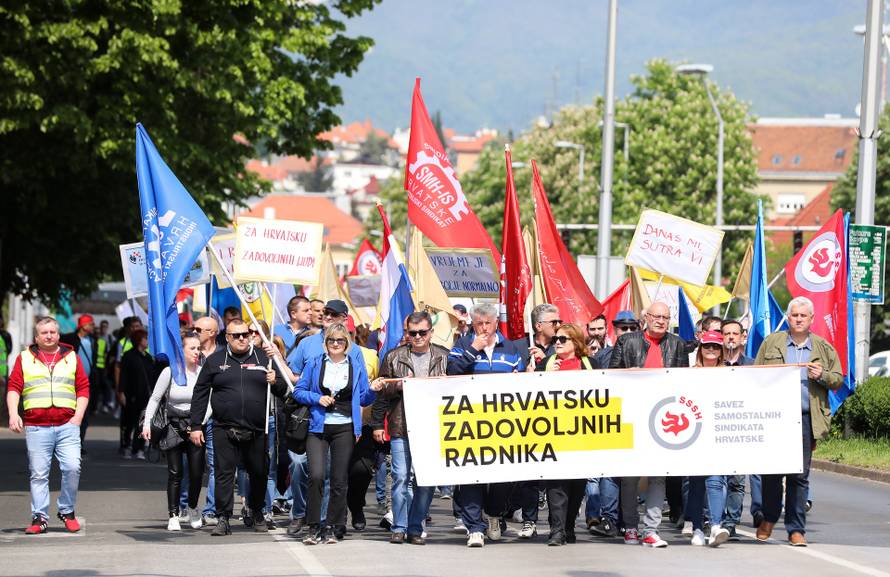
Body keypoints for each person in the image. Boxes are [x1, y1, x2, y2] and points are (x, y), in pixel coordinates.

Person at [754, 296, 842, 547]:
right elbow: (755, 374)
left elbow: (838, 378)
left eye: (804, 315)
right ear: (788, 317)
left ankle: (795, 529)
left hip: (804, 418)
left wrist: (822, 375)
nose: (799, 319)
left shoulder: (823, 347)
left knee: (799, 476)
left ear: (811, 319)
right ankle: (769, 518)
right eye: (795, 315)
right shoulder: (772, 343)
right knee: (771, 472)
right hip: (774, 416)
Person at [189, 318, 286, 536]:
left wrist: (275, 381)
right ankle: (223, 518)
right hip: (224, 428)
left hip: (257, 429)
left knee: (259, 472)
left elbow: (283, 390)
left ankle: (258, 512)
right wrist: (196, 425)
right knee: (224, 474)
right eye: (237, 335)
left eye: (246, 334)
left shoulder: (264, 358)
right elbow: (200, 393)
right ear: (227, 337)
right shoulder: (215, 361)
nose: (242, 338)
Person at [609, 301, 688, 548]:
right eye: (657, 316)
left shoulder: (677, 344)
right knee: (630, 478)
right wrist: (628, 374)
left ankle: (651, 530)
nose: (661, 321)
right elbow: (610, 377)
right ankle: (631, 527)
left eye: (666, 317)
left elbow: (685, 382)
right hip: (632, 417)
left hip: (662, 420)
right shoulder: (627, 341)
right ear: (646, 317)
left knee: (657, 477)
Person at [447, 303, 526, 547]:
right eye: (478, 323)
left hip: (503, 424)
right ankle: (475, 528)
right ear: (473, 323)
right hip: (471, 423)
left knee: (502, 476)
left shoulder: (511, 348)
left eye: (487, 323)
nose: (483, 328)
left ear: (495, 323)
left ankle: (493, 514)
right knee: (472, 475)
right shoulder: (462, 346)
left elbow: (522, 381)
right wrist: (473, 349)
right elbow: (451, 372)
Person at [295, 323, 380, 545]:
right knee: (316, 475)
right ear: (326, 343)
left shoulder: (355, 366)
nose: (335, 344)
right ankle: (314, 526)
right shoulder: (315, 363)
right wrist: (317, 398)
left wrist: (373, 390)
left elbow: (363, 398)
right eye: (331, 340)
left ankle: (332, 526)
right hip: (318, 427)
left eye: (340, 341)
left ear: (347, 344)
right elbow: (299, 391)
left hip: (345, 427)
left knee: (339, 480)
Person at [6, 316, 90, 534]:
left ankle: (67, 510)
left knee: (73, 467)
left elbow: (83, 388)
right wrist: (14, 414)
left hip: (67, 425)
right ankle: (39, 517)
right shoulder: (25, 358)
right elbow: (14, 387)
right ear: (37, 337)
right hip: (37, 426)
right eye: (44, 333)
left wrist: (78, 417)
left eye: (52, 332)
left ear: (58, 335)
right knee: (39, 474)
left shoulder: (70, 356)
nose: (49, 336)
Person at [372, 311, 449, 545]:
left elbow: (460, 390)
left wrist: (449, 384)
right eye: (412, 333)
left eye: (422, 333)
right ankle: (399, 526)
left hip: (432, 427)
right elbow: (382, 390)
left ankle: (415, 527)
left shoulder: (444, 357)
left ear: (430, 333)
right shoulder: (393, 356)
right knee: (400, 477)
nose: (417, 337)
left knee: (425, 480)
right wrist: (397, 388)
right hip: (401, 426)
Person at [535, 323, 595, 546]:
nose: (557, 343)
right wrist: (544, 376)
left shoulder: (590, 365)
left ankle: (569, 526)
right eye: (556, 340)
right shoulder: (546, 365)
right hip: (553, 433)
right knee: (557, 484)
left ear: (576, 343)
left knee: (577, 486)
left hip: (582, 434)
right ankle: (557, 530)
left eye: (563, 340)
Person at [141, 332, 208, 531]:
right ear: (182, 351)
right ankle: (173, 514)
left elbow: (209, 400)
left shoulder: (202, 372)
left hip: (195, 426)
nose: (197, 352)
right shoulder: (170, 372)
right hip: (173, 426)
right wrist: (147, 424)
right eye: (192, 348)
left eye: (199, 348)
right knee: (175, 472)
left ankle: (194, 507)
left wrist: (200, 423)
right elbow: (155, 398)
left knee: (197, 473)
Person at [683, 330, 730, 547]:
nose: (711, 350)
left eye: (716, 346)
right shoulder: (689, 373)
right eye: (707, 346)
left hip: (719, 432)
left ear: (721, 351)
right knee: (696, 483)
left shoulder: (731, 374)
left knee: (716, 479)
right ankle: (697, 528)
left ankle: (715, 526)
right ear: (700, 349)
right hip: (694, 433)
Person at [720, 317, 754, 539]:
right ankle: (712, 518)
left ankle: (731, 523)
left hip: (740, 431)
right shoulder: (712, 364)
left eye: (735, 333)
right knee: (715, 479)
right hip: (717, 429)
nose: (731, 337)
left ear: (743, 337)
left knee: (737, 481)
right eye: (726, 333)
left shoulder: (752, 366)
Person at [191, 315, 223, 525]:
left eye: (199, 329)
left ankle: (210, 509)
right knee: (191, 466)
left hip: (216, 417)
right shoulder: (190, 352)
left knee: (215, 466)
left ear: (212, 332)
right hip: (193, 416)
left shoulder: (224, 354)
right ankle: (186, 506)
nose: (194, 332)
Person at [61, 314, 99, 443]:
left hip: (86, 384)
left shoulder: (93, 340)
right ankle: (66, 443)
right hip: (71, 384)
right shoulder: (71, 338)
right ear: (83, 325)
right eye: (91, 324)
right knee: (69, 414)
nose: (94, 327)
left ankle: (79, 443)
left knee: (84, 416)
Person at [118, 328, 155, 460]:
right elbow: (123, 376)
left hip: (146, 396)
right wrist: (121, 392)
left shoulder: (148, 357)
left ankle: (139, 448)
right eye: (145, 338)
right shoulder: (129, 356)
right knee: (129, 423)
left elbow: (153, 377)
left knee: (143, 423)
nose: (147, 341)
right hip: (131, 395)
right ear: (139, 340)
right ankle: (126, 446)